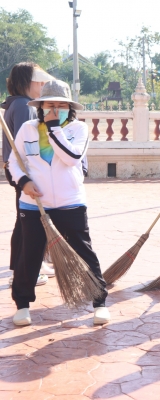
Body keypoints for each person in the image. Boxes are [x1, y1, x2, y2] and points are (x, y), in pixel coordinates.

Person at [8, 80, 109, 326]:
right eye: (49, 105)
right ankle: (22, 305)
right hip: (33, 204)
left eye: (61, 106)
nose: (54, 110)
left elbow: (73, 157)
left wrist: (54, 129)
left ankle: (99, 303)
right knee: (29, 254)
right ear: (40, 107)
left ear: (69, 108)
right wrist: (24, 182)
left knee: (83, 251)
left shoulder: (78, 129)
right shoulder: (28, 129)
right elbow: (14, 161)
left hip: (70, 203)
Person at [2, 62, 55, 287]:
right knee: (27, 219)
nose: (43, 86)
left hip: (19, 170)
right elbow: (28, 144)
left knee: (26, 217)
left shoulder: (17, 103)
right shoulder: (24, 105)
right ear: (27, 82)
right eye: (39, 82)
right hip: (24, 172)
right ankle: (22, 269)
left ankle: (32, 264)